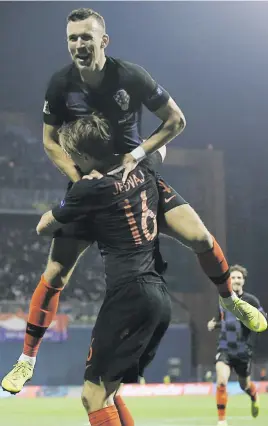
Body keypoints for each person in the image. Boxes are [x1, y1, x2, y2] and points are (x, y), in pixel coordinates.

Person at [1, 7, 266, 397]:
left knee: (202, 239)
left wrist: (137, 155)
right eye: (72, 38)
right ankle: (26, 359)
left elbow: (176, 121)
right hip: (91, 189)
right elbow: (49, 140)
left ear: (103, 41)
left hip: (139, 180)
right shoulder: (60, 85)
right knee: (55, 274)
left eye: (86, 37)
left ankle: (230, 300)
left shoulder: (131, 76)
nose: (78, 44)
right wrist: (81, 180)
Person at [41, 115, 171, 425]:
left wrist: (71, 195)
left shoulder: (90, 188)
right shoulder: (141, 165)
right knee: (110, 394)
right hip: (158, 295)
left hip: (128, 294)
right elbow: (161, 149)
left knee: (92, 395)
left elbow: (43, 227)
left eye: (73, 156)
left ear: (84, 157)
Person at [207, 264, 266, 426]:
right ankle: (222, 421)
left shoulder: (251, 300)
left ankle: (253, 395)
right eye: (233, 277)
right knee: (221, 381)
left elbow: (261, 319)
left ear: (243, 281)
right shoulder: (223, 300)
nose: (236, 280)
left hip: (243, 351)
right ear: (229, 280)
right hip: (225, 348)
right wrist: (214, 324)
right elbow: (221, 320)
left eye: (239, 277)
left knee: (244, 385)